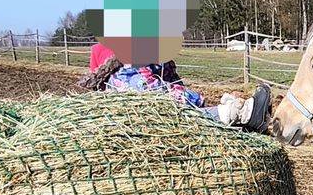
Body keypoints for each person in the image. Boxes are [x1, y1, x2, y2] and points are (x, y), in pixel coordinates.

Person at [78, 43, 271, 133]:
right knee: (177, 116)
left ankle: (230, 116)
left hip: (154, 110)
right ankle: (238, 115)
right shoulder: (127, 69)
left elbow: (173, 81)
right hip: (138, 118)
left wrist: (196, 100)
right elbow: (157, 94)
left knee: (187, 111)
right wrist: (194, 100)